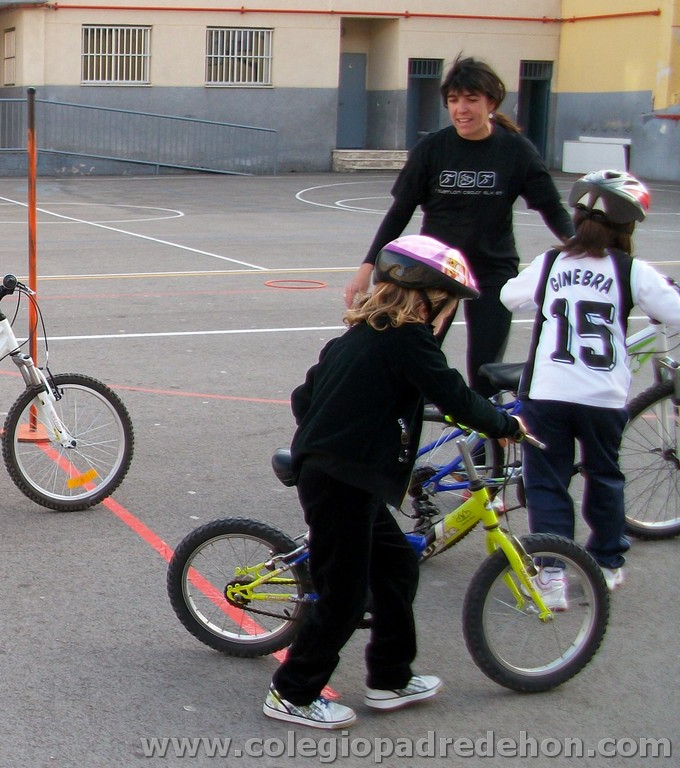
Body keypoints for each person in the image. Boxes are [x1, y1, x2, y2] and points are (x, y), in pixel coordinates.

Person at [265, 235, 523, 729]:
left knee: (398, 564)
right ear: (427, 301)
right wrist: (507, 425)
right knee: (344, 595)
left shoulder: (353, 339)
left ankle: (389, 677)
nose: (449, 316)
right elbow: (457, 397)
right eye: (449, 306)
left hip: (347, 476)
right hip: (338, 480)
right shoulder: (410, 343)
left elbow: (305, 397)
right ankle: (291, 692)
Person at [343, 55, 574, 398]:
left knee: (483, 372)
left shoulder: (515, 151)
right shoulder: (433, 149)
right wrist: (367, 266)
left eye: (471, 100)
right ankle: (403, 450)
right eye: (453, 100)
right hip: (432, 274)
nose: (461, 109)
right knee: (416, 365)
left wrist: (582, 245)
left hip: (491, 271)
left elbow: (551, 208)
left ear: (491, 102)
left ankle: (482, 450)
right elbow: (399, 212)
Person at [501, 170, 680, 599]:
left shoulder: (550, 263)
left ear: (577, 219)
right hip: (603, 397)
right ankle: (606, 562)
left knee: (546, 480)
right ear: (628, 227)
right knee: (604, 476)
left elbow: (509, 296)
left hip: (548, 392)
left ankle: (552, 574)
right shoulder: (633, 271)